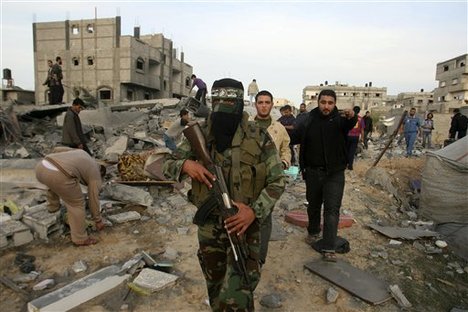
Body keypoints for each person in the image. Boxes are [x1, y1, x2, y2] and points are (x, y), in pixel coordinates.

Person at [163, 78, 285, 311]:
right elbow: (166, 162)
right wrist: (186, 165)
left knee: (240, 289)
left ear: (239, 104)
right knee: (216, 285)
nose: (222, 107)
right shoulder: (203, 133)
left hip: (244, 227)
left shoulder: (258, 137)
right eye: (217, 101)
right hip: (210, 227)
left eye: (228, 101)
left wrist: (253, 211)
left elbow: (278, 181)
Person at [290, 89, 357, 262]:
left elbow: (350, 123)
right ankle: (313, 232)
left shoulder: (340, 121)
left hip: (335, 174)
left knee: (332, 209)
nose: (326, 106)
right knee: (313, 205)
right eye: (323, 102)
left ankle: (328, 247)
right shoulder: (308, 120)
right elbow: (293, 137)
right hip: (313, 173)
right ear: (318, 102)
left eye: (330, 103)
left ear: (334, 104)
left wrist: (352, 116)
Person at [35, 149, 105, 246]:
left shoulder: (84, 154)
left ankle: (53, 206)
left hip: (41, 167)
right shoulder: (96, 174)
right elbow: (93, 197)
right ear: (101, 172)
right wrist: (98, 220)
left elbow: (59, 148)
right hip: (58, 173)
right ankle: (80, 238)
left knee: (53, 183)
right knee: (77, 204)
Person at [254, 90, 290, 265]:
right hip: (249, 178)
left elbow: (286, 148)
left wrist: (284, 162)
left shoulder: (279, 128)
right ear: (255, 105)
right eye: (260, 102)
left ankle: (260, 256)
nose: (263, 105)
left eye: (267, 102)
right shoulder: (246, 125)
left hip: (270, 179)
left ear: (271, 104)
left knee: (265, 215)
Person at [346, 106, 364, 170]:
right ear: (359, 111)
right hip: (355, 137)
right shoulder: (361, 119)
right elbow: (362, 130)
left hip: (348, 135)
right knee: (352, 151)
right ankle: (350, 165)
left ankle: (345, 163)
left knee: (346, 150)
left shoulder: (348, 117)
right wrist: (362, 138)